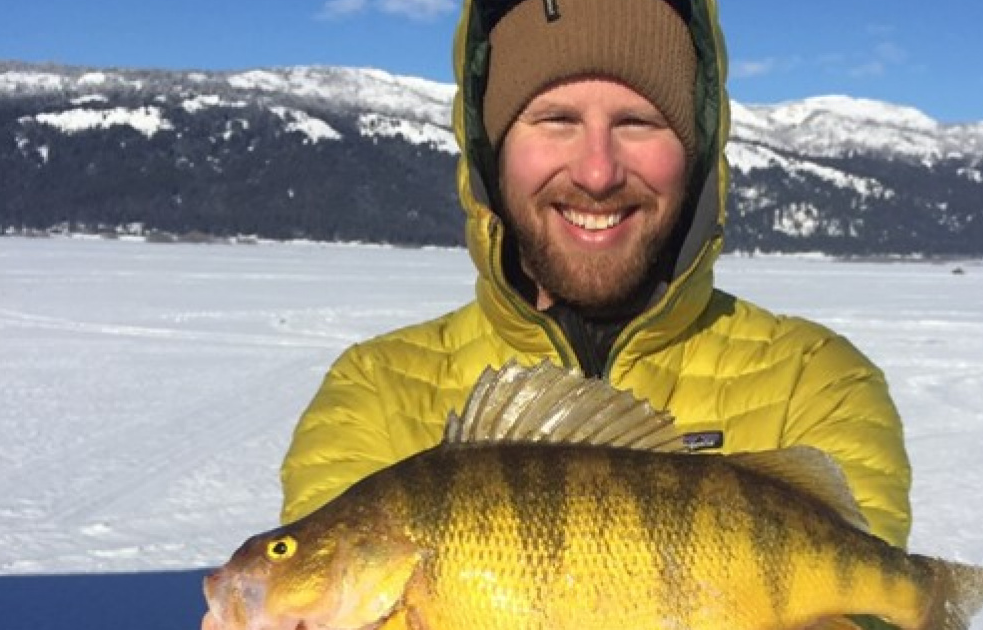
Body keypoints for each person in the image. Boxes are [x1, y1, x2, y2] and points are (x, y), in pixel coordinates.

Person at [282, 0, 910, 626]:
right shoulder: (373, 391)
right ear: (490, 154)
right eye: (555, 119)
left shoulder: (817, 380)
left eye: (638, 121)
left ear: (695, 155)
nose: (598, 172)